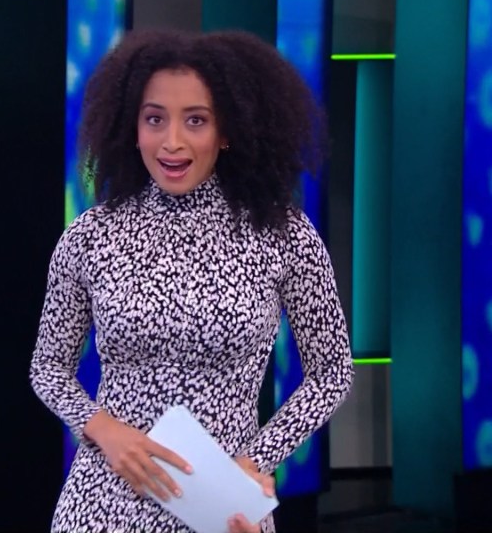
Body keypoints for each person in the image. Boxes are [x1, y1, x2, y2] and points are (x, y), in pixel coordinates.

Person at [29, 28, 355, 533]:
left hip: (221, 509)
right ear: (132, 127)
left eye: (196, 120)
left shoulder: (283, 235)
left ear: (227, 130)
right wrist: (104, 430)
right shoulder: (91, 235)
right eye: (154, 119)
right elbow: (48, 367)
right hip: (101, 502)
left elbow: (332, 372)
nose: (172, 141)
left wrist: (254, 462)